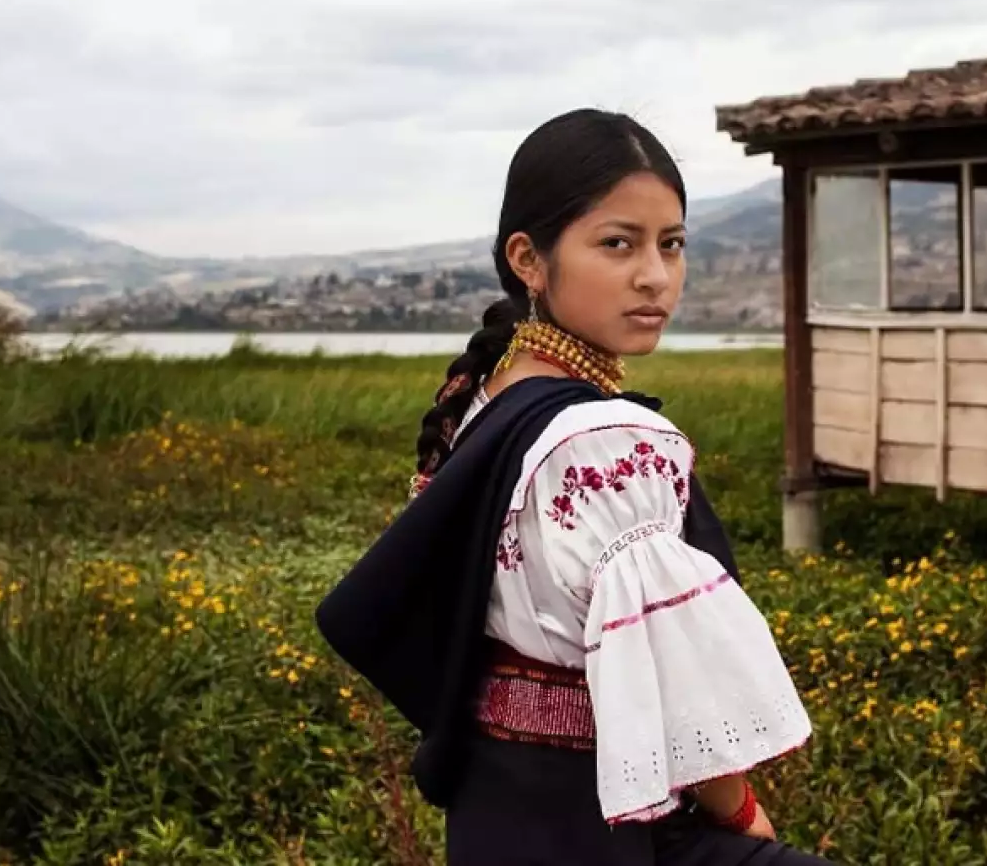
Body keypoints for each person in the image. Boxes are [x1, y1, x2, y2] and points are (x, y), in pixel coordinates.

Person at [316, 109, 833, 865]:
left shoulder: (489, 393)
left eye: (672, 244)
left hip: (503, 815)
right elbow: (672, 669)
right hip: (614, 828)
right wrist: (743, 806)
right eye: (617, 243)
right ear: (529, 258)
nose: (655, 275)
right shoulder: (605, 439)